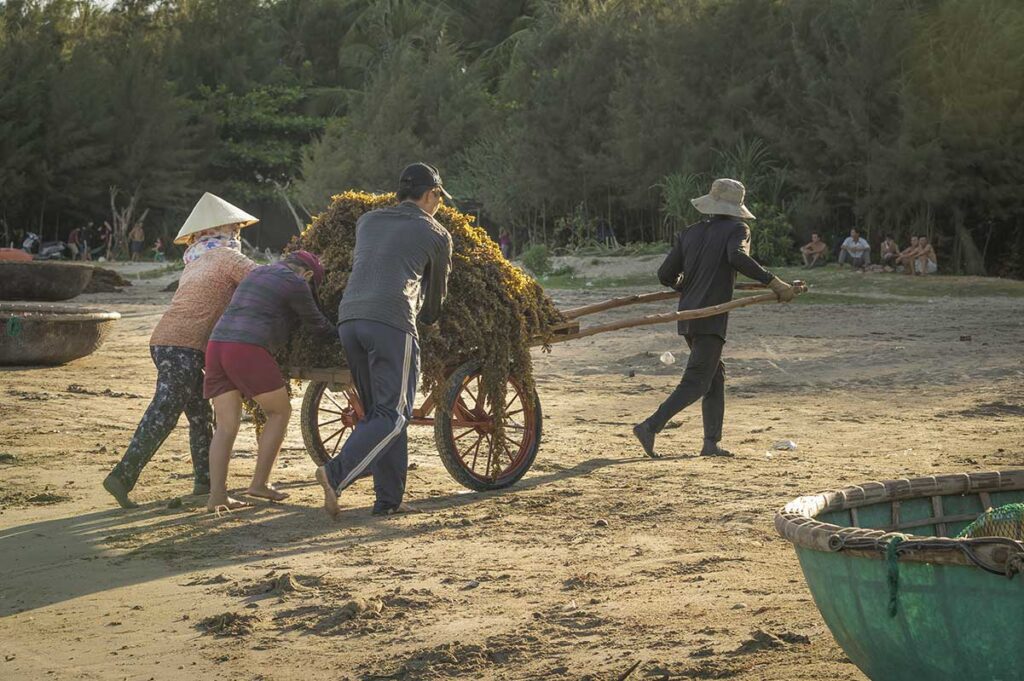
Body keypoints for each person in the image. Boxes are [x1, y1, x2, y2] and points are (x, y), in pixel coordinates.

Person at [103, 193, 258, 509]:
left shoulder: (196, 259)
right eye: (234, 227)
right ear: (219, 228)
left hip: (166, 343)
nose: (237, 233)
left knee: (201, 416)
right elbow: (265, 279)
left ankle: (205, 481)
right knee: (164, 410)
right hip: (182, 347)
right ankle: (122, 476)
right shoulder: (227, 257)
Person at [316, 162, 453, 518]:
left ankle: (388, 501)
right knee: (393, 414)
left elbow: (376, 261)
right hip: (390, 322)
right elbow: (436, 297)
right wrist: (428, 320)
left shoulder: (367, 221)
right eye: (439, 196)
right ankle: (334, 473)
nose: (439, 203)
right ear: (430, 194)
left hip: (349, 319)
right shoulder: (437, 233)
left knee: (381, 413)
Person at [632, 178, 796, 459]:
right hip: (710, 315)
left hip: (688, 316)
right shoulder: (738, 228)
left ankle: (711, 443)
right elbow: (737, 257)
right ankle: (650, 426)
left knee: (714, 376)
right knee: (697, 380)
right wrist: (774, 282)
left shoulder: (690, 232)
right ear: (736, 207)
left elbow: (665, 275)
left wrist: (683, 284)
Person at [204, 251, 336, 512]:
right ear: (307, 274)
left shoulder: (256, 273)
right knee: (279, 412)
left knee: (226, 426)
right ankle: (260, 483)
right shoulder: (297, 282)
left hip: (216, 345)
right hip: (245, 348)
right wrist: (343, 334)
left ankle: (217, 496)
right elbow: (316, 324)